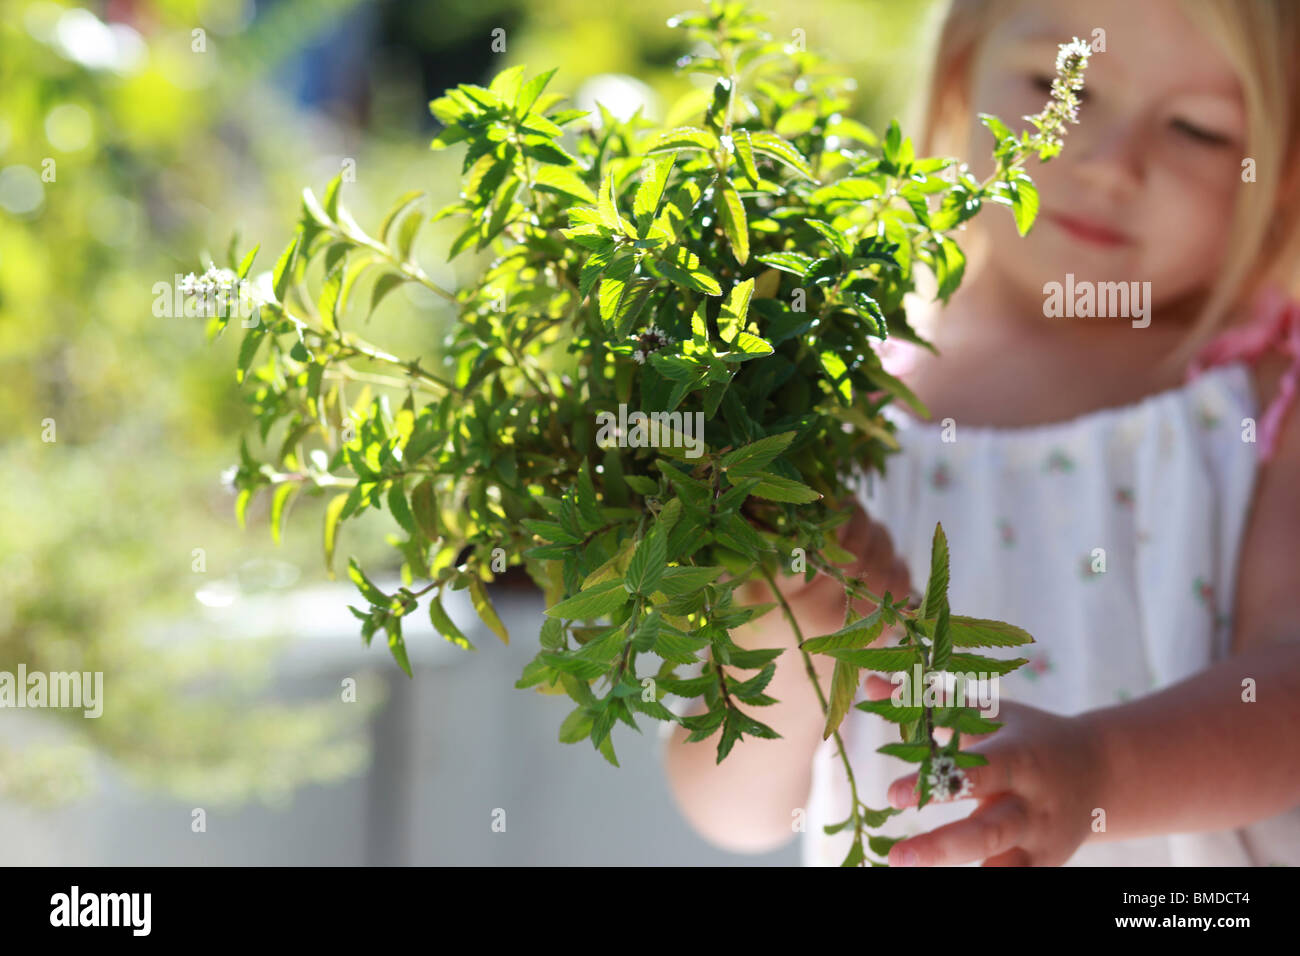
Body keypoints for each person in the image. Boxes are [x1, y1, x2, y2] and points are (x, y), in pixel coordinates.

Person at [662, 0, 1300, 866]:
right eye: (1054, 84)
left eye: (1198, 130)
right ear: (962, 71)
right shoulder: (834, 397)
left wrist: (1103, 774)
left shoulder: (1267, 393)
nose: (1109, 165)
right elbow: (733, 812)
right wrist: (781, 634)